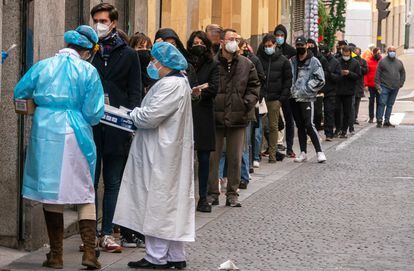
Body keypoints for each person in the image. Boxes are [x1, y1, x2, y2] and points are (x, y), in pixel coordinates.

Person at [14, 25, 104, 270]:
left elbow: (20, 92)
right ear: (87, 50)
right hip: (77, 132)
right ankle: (89, 253)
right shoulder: (88, 70)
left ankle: (56, 255)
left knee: (50, 190)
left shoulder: (43, 66)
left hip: (46, 131)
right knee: (85, 190)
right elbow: (94, 112)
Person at [113, 42, 194, 270]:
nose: (152, 64)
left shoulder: (170, 84)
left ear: (164, 63)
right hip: (167, 151)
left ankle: (156, 256)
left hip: (160, 153)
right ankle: (175, 254)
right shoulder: (179, 82)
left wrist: (133, 113)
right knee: (171, 202)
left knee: (158, 201)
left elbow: (150, 116)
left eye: (154, 61)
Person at [90, 2, 142, 253]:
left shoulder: (129, 55)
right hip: (91, 126)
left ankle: (108, 232)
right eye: (96, 21)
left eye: (103, 21)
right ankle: (89, 234)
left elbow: (135, 91)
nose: (99, 25)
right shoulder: (90, 51)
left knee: (112, 182)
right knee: (88, 182)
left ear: (113, 23)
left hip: (117, 127)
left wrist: (131, 121)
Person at [207, 29, 260, 207]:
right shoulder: (213, 63)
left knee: (235, 156)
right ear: (222, 42)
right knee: (213, 157)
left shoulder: (246, 64)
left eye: (237, 39)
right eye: (231, 39)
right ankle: (213, 192)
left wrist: (246, 103)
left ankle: (232, 193)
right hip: (216, 116)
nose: (234, 42)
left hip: (238, 115)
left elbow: (254, 86)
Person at [187, 31, 219, 212]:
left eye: (200, 42)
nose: (197, 45)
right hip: (188, 113)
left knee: (204, 158)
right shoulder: (186, 62)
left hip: (204, 113)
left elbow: (214, 87)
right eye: (194, 42)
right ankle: (187, 196)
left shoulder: (212, 64)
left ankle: (203, 196)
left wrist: (200, 92)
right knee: (186, 157)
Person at [290, 36, 326, 163]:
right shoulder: (292, 60)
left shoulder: (314, 61)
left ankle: (319, 151)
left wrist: (307, 88)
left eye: (302, 45)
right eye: (298, 45)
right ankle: (303, 152)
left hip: (307, 97)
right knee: (299, 126)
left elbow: (321, 79)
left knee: (309, 125)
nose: (300, 47)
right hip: (294, 97)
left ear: (306, 46)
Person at [257, 33, 292, 163]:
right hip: (261, 97)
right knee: (260, 127)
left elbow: (288, 81)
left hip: (275, 98)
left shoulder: (283, 61)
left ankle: (272, 154)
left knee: (273, 127)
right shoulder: (259, 59)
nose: (268, 48)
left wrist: (281, 98)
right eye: (265, 46)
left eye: (270, 45)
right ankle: (258, 154)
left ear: (275, 45)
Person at [238, 38, 265, 188]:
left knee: (246, 141)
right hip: (229, 109)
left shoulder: (251, 62)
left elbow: (258, 82)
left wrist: (250, 101)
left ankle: (245, 173)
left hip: (246, 108)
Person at [273, 24, 296, 158]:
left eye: (282, 35)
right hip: (273, 89)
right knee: (272, 120)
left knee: (289, 119)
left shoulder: (291, 51)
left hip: (287, 90)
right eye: (277, 35)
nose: (279, 38)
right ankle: (273, 146)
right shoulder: (270, 48)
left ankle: (290, 147)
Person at [375, 46, 406, 128]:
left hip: (395, 87)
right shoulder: (382, 62)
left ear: (395, 52)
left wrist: (401, 83)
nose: (392, 52)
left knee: (390, 104)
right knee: (382, 103)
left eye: (393, 51)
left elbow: (403, 73)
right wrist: (377, 85)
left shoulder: (399, 62)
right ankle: (379, 120)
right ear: (387, 52)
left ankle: (387, 120)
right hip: (384, 86)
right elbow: (377, 74)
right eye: (390, 51)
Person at [334, 45, 361, 138]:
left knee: (347, 112)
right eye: (344, 53)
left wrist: (349, 73)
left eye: (347, 53)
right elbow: (333, 73)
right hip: (338, 90)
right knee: (337, 111)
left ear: (350, 53)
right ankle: (338, 129)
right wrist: (340, 74)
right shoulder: (337, 61)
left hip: (349, 91)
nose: (345, 55)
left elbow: (358, 76)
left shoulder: (355, 63)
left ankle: (344, 130)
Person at [307, 39, 330, 131]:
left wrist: (317, 74)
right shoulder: (304, 58)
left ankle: (316, 128)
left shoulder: (321, 59)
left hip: (318, 90)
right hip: (306, 89)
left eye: (312, 46)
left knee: (317, 111)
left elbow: (327, 73)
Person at [319, 45, 341, 141]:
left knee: (329, 112)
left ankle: (329, 133)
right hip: (319, 90)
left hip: (330, 91)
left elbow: (338, 77)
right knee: (317, 114)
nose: (323, 55)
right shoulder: (317, 60)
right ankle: (316, 133)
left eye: (325, 53)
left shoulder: (335, 62)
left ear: (329, 52)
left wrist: (328, 74)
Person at [350, 47, 368, 131]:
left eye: (357, 52)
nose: (356, 53)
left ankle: (355, 117)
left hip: (359, 84)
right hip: (352, 84)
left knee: (357, 102)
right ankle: (351, 118)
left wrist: (359, 68)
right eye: (355, 52)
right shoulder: (351, 60)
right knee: (351, 103)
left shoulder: (363, 61)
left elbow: (366, 70)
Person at [364, 48, 382, 123]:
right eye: (377, 53)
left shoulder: (382, 61)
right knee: (371, 102)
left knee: (379, 102)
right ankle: (371, 117)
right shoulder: (368, 61)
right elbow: (366, 74)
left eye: (379, 53)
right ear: (374, 53)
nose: (378, 54)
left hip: (379, 85)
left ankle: (378, 117)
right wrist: (365, 84)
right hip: (370, 85)